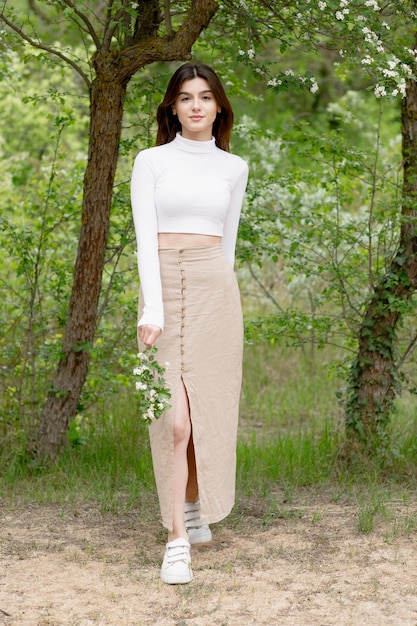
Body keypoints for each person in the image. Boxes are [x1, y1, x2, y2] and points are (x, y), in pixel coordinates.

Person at [131, 62, 248, 585]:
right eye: (185, 97)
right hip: (163, 284)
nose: (196, 105)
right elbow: (143, 239)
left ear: (218, 106)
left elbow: (229, 242)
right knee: (174, 421)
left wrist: (222, 298)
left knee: (204, 414)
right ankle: (176, 540)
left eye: (205, 97)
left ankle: (195, 506)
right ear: (172, 107)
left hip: (214, 290)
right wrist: (151, 309)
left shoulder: (233, 168)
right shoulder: (150, 162)